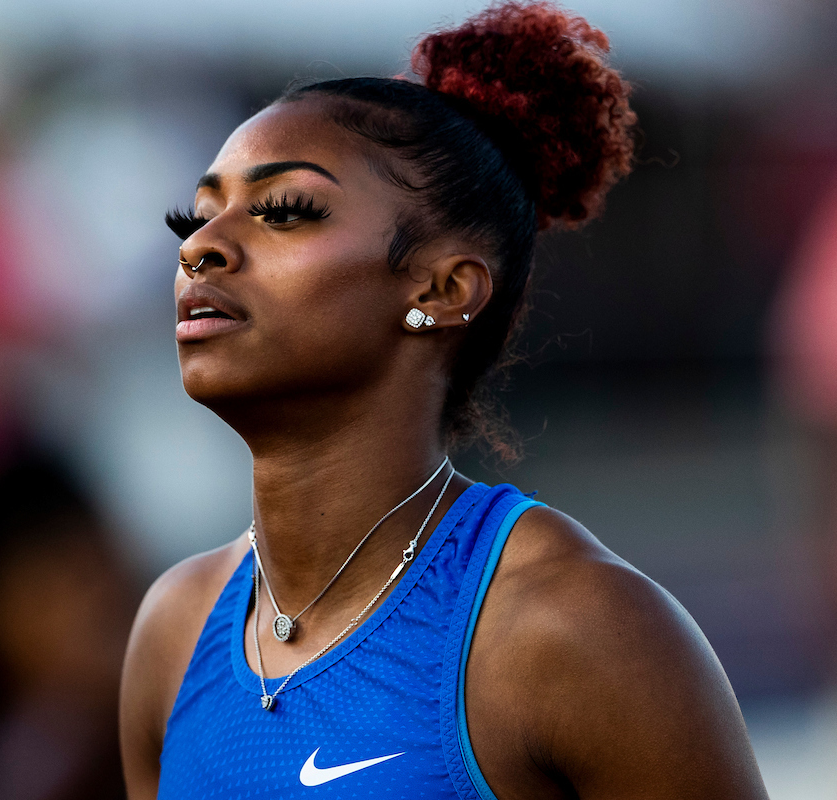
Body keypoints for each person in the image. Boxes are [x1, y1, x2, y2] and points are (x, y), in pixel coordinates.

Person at [119, 3, 770, 799]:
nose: (199, 247)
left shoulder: (570, 626)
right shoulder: (176, 629)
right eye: (195, 216)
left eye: (284, 210)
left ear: (443, 289)